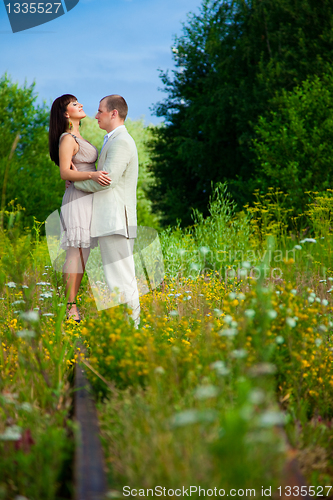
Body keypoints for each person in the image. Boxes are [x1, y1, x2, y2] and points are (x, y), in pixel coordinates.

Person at [73, 94, 140, 327]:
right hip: (112, 221)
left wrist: (75, 181)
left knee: (121, 280)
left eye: (100, 110)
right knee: (117, 281)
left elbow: (107, 181)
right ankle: (126, 331)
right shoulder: (112, 139)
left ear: (114, 113)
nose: (96, 115)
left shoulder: (121, 141)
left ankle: (131, 332)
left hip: (115, 221)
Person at [49, 94, 111, 322]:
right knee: (75, 252)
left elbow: (73, 172)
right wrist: (91, 174)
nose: (81, 105)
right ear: (66, 114)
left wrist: (84, 175)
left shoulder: (77, 136)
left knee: (83, 253)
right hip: (77, 199)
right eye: (75, 104)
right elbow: (65, 173)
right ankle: (70, 307)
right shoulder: (67, 138)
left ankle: (72, 304)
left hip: (87, 197)